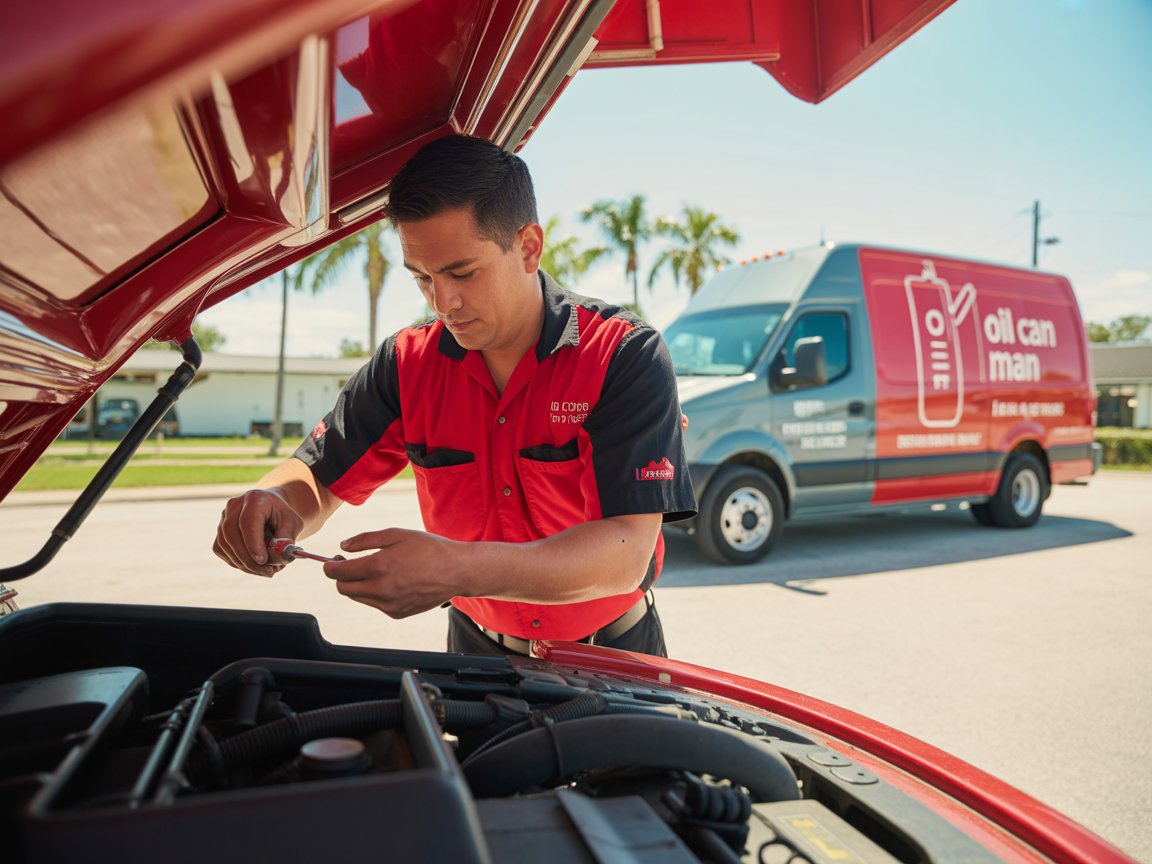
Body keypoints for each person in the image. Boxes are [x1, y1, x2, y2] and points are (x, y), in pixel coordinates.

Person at [212, 134, 695, 657]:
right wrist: (274, 500)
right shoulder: (406, 365)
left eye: (462, 272)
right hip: (474, 653)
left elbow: (625, 554)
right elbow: (319, 475)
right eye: (422, 278)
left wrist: (456, 568)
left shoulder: (621, 355)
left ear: (529, 247)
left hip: (615, 653)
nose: (444, 302)